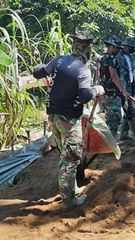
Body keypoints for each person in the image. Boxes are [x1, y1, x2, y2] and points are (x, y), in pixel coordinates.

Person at [32, 31, 105, 209]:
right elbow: (85, 95)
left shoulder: (58, 60)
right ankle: (69, 201)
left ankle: (69, 188)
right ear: (87, 49)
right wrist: (98, 89)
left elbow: (37, 73)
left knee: (65, 155)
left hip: (52, 116)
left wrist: (40, 65)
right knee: (71, 157)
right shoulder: (83, 70)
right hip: (69, 119)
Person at [99, 36, 125, 135]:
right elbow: (114, 76)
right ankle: (112, 145)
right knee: (114, 119)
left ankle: (110, 144)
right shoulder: (111, 59)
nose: (119, 51)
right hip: (112, 94)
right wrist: (123, 90)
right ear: (113, 47)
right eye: (118, 48)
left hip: (105, 93)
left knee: (109, 118)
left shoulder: (103, 58)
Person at [116, 37, 135, 140]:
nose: (132, 50)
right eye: (131, 47)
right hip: (123, 87)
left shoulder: (131, 58)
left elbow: (133, 73)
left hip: (131, 86)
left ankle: (123, 134)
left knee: (127, 109)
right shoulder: (119, 57)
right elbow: (120, 74)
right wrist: (124, 90)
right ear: (125, 46)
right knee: (130, 110)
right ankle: (134, 133)